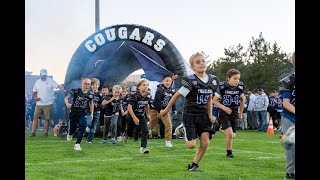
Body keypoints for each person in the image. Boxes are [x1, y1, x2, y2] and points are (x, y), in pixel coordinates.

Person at [160, 51, 219, 172]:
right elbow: (177, 95)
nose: (201, 63)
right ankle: (182, 129)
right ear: (192, 67)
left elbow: (209, 98)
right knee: (191, 145)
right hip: (190, 115)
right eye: (198, 62)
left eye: (203, 61)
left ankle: (194, 165)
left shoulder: (213, 80)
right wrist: (166, 110)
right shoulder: (191, 80)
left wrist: (210, 115)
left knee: (205, 142)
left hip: (203, 115)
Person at [212, 69, 246, 158]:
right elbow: (214, 100)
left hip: (234, 112)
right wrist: (224, 107)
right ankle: (229, 153)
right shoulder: (222, 87)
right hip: (224, 112)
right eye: (235, 78)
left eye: (238, 79)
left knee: (233, 136)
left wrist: (241, 113)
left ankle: (217, 128)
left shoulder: (240, 86)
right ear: (228, 78)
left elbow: (243, 99)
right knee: (230, 134)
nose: (237, 81)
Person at [30, 69, 64, 137]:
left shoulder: (51, 81)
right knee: (35, 118)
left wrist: (62, 89)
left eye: (45, 75)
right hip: (39, 103)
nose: (44, 77)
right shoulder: (37, 82)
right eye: (43, 75)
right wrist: (35, 98)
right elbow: (34, 93)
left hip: (48, 103)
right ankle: (33, 133)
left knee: (47, 119)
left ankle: (45, 133)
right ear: (40, 75)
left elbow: (58, 86)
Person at [64, 77, 94, 150]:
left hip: (83, 113)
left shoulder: (90, 93)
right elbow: (66, 98)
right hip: (74, 112)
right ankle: (70, 133)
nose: (87, 86)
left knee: (83, 126)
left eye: (88, 84)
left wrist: (92, 113)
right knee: (73, 128)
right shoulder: (75, 91)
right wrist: (67, 103)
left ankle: (77, 144)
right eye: (85, 84)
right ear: (81, 84)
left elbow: (91, 103)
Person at [279, 51, 295, 179]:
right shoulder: (288, 81)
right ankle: (290, 173)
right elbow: (286, 103)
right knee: (290, 147)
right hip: (290, 118)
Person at [148, 74, 176, 147]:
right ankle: (142, 131)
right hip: (155, 109)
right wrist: (159, 110)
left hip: (164, 110)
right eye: (166, 81)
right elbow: (156, 101)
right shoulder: (160, 89)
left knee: (168, 124)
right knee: (151, 125)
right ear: (162, 81)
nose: (168, 82)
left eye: (169, 81)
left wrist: (174, 109)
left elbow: (172, 101)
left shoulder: (172, 90)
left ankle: (168, 141)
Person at [128, 79, 153, 154]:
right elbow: (129, 107)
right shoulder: (134, 96)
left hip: (141, 115)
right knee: (131, 130)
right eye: (144, 85)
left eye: (147, 85)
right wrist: (134, 118)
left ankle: (143, 148)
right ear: (138, 87)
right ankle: (126, 134)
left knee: (145, 130)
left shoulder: (148, 95)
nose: (146, 87)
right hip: (132, 114)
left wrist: (148, 114)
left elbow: (146, 105)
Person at [86, 78, 103, 144]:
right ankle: (87, 126)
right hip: (88, 111)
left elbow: (102, 105)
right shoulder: (88, 93)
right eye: (93, 85)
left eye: (96, 85)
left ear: (98, 85)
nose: (94, 86)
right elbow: (86, 101)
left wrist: (97, 105)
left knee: (94, 127)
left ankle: (89, 140)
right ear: (91, 85)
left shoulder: (100, 94)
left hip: (97, 112)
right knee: (89, 123)